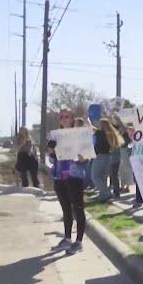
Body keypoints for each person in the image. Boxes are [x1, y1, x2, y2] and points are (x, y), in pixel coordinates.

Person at [48, 109, 87, 256]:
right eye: (61, 117)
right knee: (66, 210)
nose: (64, 119)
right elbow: (52, 160)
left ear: (72, 119)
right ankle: (67, 238)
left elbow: (85, 159)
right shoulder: (56, 137)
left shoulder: (79, 136)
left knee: (77, 208)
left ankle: (79, 242)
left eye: (67, 116)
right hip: (59, 177)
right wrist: (51, 151)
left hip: (74, 176)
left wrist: (81, 157)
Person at [107, 115, 124, 198]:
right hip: (113, 157)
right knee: (113, 175)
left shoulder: (114, 133)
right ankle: (115, 191)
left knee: (114, 175)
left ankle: (116, 192)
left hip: (115, 157)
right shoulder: (110, 133)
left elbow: (114, 146)